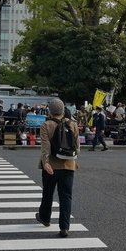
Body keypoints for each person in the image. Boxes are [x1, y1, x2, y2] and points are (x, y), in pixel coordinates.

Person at [35, 98, 79, 238]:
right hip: (68, 164)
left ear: (50, 110)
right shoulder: (73, 124)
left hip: (51, 166)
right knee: (66, 196)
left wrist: (46, 162)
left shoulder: (46, 125)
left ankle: (45, 218)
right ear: (63, 110)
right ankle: (64, 227)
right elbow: (77, 147)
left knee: (48, 193)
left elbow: (45, 146)